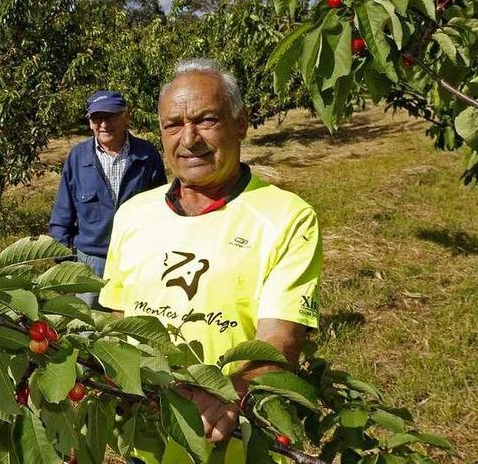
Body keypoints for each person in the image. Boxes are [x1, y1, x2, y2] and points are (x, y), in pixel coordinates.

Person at [98, 59, 321, 462]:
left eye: (206, 120)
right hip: (146, 438)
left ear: (241, 123)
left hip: (234, 441)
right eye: (173, 125)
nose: (189, 139)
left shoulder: (286, 217)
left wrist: (229, 395)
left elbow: (281, 340)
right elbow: (116, 319)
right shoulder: (133, 214)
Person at [48, 90, 166, 308]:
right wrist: (68, 263)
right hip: (91, 261)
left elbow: (162, 211)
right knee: (87, 329)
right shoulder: (78, 157)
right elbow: (62, 215)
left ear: (126, 116)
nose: (103, 124)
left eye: (110, 116)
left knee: (133, 324)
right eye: (96, 118)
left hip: (135, 259)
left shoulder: (147, 155)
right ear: (90, 122)